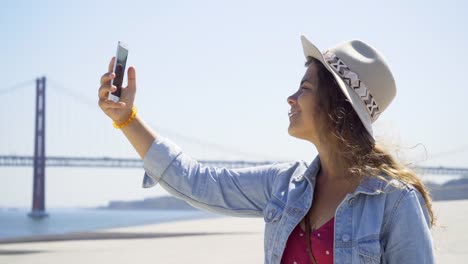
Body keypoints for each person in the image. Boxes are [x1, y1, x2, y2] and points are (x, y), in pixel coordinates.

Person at [98, 35, 435, 264]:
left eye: (304, 87)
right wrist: (127, 119)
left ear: (337, 107)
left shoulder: (396, 201)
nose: (290, 98)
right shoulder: (284, 185)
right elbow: (198, 182)